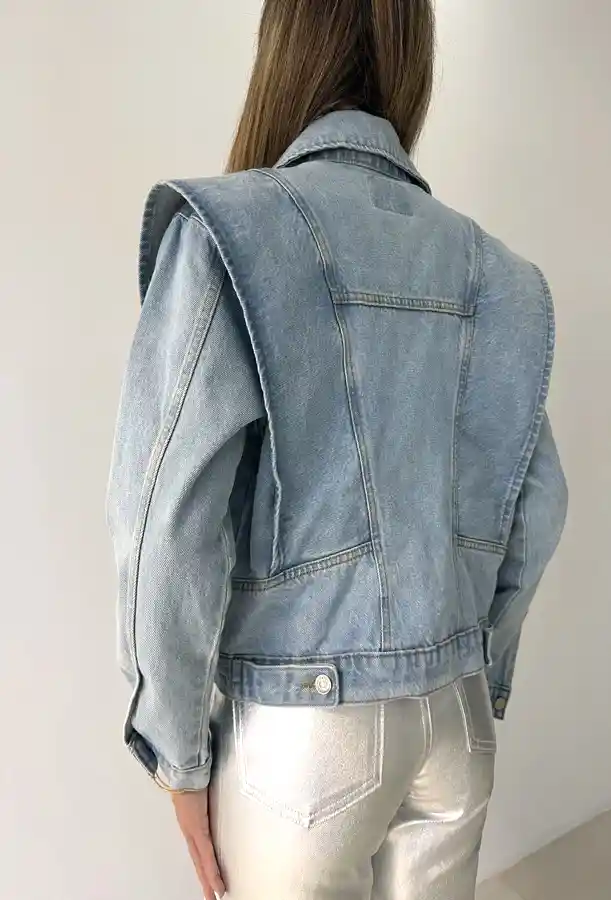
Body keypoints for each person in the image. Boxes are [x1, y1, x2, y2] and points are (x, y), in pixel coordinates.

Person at [106, 1, 568, 898]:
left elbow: (167, 518)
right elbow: (540, 506)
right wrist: (477, 661)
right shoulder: (498, 272)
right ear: (412, 63)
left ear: (281, 53)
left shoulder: (230, 232)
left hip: (303, 735)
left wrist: (175, 752)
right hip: (455, 722)